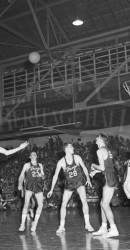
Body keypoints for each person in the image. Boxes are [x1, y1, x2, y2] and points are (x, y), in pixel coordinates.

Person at [47, 142, 94, 234]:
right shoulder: (61, 162)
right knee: (63, 204)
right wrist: (51, 189)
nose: (73, 148)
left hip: (79, 182)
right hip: (69, 184)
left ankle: (87, 224)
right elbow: (55, 176)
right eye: (71, 147)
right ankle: (61, 226)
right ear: (66, 149)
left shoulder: (77, 157)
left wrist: (88, 178)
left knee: (84, 201)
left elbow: (84, 168)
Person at [90, 134, 119, 237]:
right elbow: (107, 167)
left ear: (101, 140)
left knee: (105, 204)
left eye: (97, 137)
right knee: (102, 203)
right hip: (110, 177)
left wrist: (93, 166)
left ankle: (114, 228)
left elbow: (102, 168)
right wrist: (96, 172)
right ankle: (103, 227)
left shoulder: (99, 151)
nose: (96, 138)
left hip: (109, 179)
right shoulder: (106, 150)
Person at [18, 151, 45, 232]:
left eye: (35, 154)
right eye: (32, 154)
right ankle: (22, 224)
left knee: (41, 204)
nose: (34, 155)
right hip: (29, 185)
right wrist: (19, 184)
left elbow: (43, 177)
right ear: (30, 157)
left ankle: (35, 223)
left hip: (38, 185)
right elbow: (21, 175)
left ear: (36, 156)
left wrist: (42, 176)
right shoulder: (27, 165)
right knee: (26, 204)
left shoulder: (40, 165)